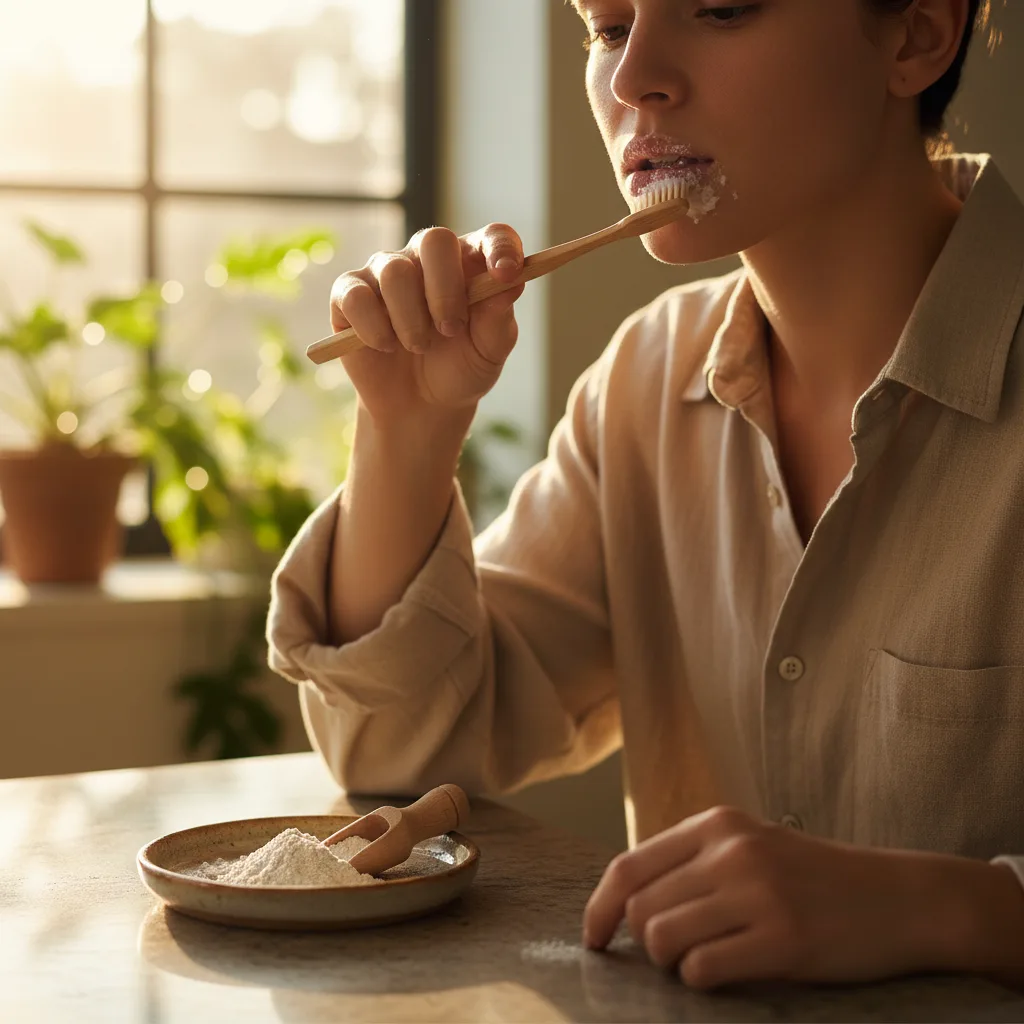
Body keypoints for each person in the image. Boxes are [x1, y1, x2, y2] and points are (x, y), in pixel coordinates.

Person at [268, 0, 1024, 992]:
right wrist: (406, 436)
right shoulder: (643, 382)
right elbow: (402, 756)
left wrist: (948, 907)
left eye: (718, 9)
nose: (633, 81)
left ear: (918, 33)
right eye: (608, 26)